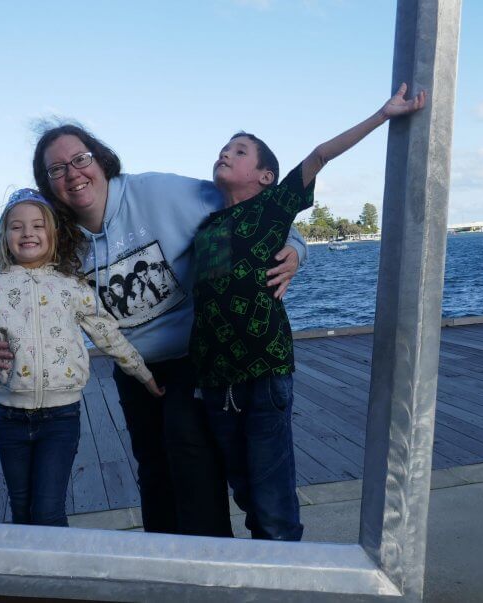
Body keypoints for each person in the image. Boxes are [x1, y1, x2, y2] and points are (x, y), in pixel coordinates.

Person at [0, 124, 308, 537]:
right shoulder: (58, 238)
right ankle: (162, 568)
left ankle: (208, 567)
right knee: (152, 469)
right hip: (134, 368)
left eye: (80, 159)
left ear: (100, 159)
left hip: (193, 357)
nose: (73, 174)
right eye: (56, 169)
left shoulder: (158, 193)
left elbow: (256, 205)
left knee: (191, 459)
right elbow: (7, 289)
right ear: (48, 184)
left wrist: (295, 247)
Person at [191, 84, 427, 541]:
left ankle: (285, 572)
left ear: (264, 177)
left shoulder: (273, 206)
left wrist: (383, 114)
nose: (226, 152)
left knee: (273, 494)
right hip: (215, 380)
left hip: (264, 371)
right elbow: (210, 293)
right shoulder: (208, 226)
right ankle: (265, 574)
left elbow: (321, 154)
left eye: (239, 151)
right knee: (244, 491)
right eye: (223, 148)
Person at [0, 188, 163, 527]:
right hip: (11, 418)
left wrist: (143, 374)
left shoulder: (72, 286)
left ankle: (57, 579)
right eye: (17, 226)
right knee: (22, 512)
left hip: (61, 417)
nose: (28, 233)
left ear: (51, 234)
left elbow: (108, 334)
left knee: (48, 512)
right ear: (4, 236)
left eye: (38, 225)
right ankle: (31, 578)